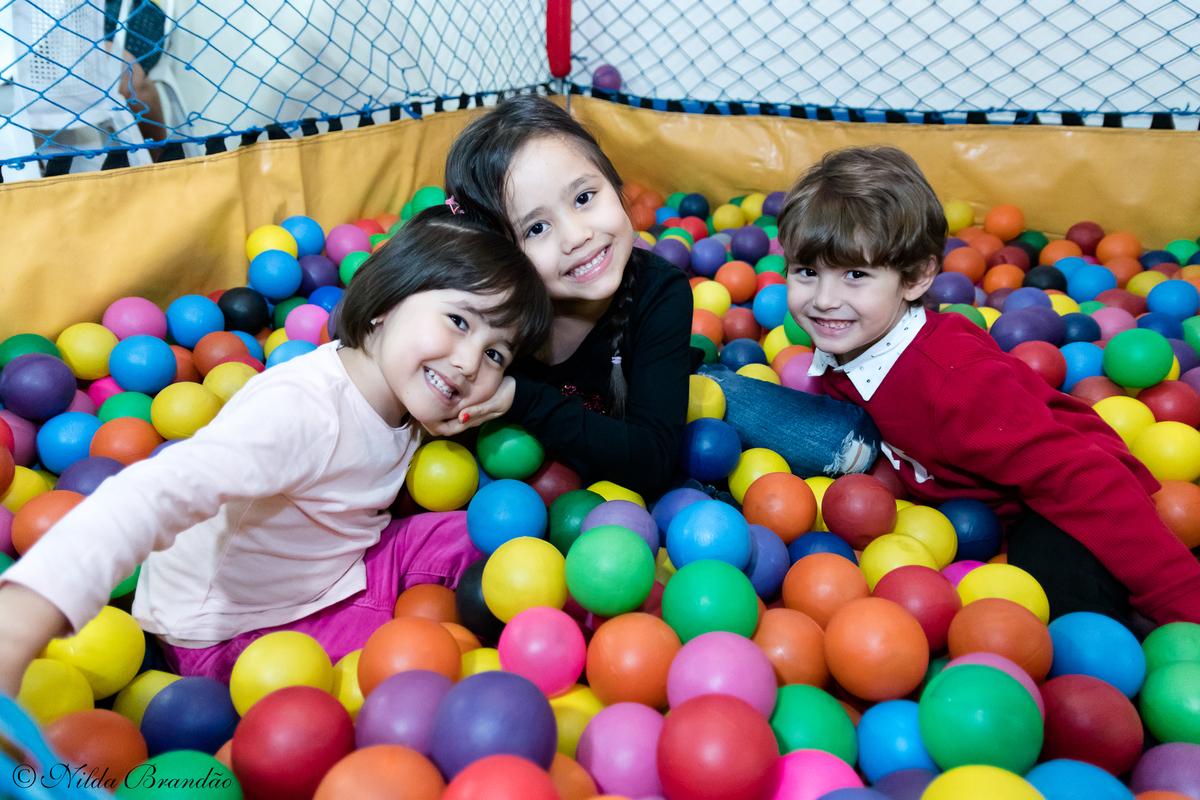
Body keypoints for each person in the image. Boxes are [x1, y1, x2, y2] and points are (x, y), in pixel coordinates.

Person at [0, 205, 553, 693]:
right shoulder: (303, 412)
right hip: (236, 629)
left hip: (337, 566)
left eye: (496, 354)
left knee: (495, 528)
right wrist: (27, 610)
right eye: (458, 322)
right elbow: (159, 489)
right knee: (416, 664)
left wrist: (502, 394)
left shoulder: (406, 384)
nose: (467, 363)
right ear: (386, 304)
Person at [780, 144, 1200, 627]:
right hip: (959, 508)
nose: (825, 300)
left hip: (1058, 504)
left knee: (1063, 629)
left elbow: (1082, 478)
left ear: (916, 277)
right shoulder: (848, 341)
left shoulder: (956, 383)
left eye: (856, 275)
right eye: (807, 272)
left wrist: (1182, 599)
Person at [445, 95, 880, 498]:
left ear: (616, 186)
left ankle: (706, 384)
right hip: (588, 452)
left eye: (583, 197)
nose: (577, 236)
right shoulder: (483, 314)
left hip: (655, 405)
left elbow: (650, 462)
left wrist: (520, 398)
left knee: (845, 445)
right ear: (498, 254)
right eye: (536, 228)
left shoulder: (659, 289)